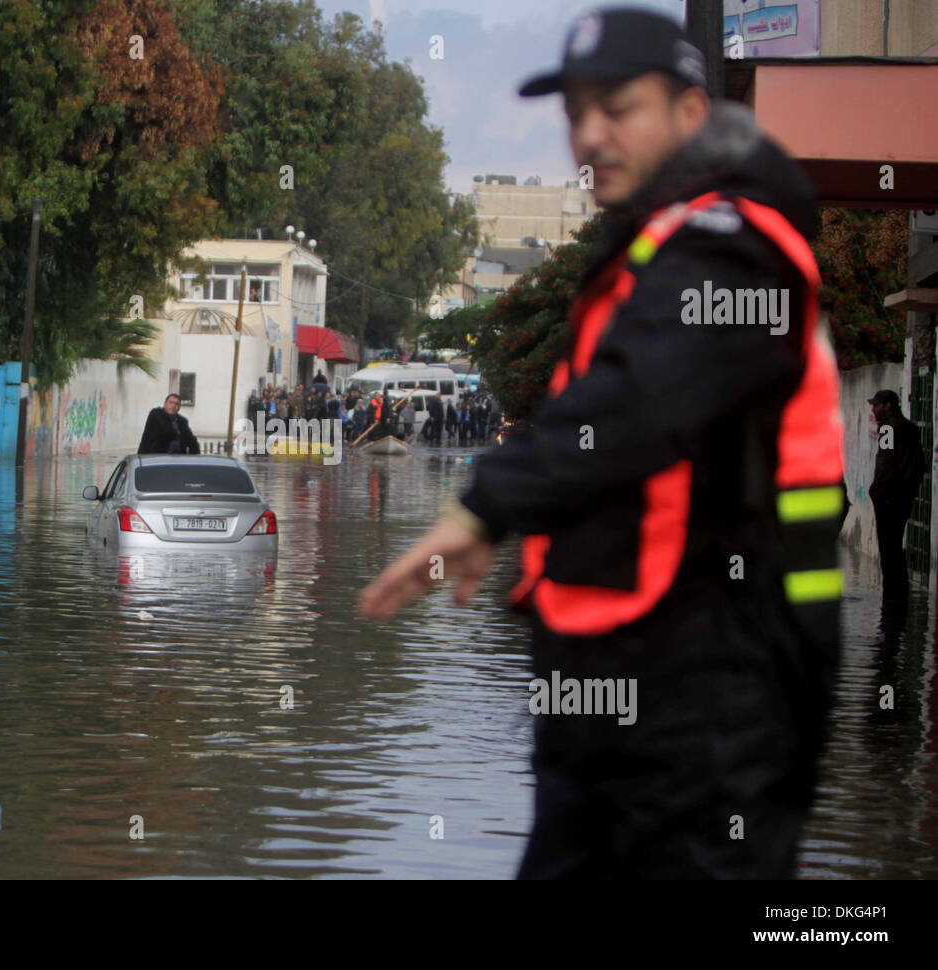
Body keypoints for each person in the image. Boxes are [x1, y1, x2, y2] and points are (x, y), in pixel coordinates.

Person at [359, 6, 844, 879]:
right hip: (607, 697)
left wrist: (482, 508)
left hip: (711, 708)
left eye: (618, 108)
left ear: (690, 115)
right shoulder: (648, 252)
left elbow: (639, 401)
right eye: (576, 112)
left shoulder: (736, 249)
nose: (589, 135)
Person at [868, 389, 924, 604]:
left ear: (888, 405)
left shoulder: (889, 430)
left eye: (877, 405)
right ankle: (898, 596)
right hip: (903, 496)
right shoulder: (909, 429)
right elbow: (918, 464)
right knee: (895, 548)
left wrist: (877, 489)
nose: (874, 409)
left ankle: (892, 598)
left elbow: (885, 462)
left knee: (888, 549)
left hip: (889, 497)